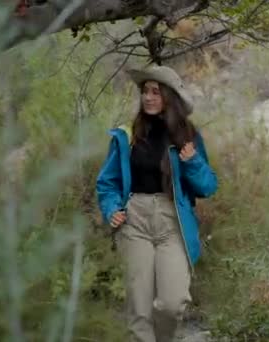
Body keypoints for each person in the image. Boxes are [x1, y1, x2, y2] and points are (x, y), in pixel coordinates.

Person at [96, 64, 218, 342]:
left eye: (155, 92)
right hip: (134, 222)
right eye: (144, 92)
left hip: (172, 222)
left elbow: (208, 187)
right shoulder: (126, 135)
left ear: (169, 97)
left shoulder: (188, 135)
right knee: (139, 310)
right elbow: (107, 182)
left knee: (172, 304)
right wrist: (112, 208)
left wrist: (192, 162)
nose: (148, 97)